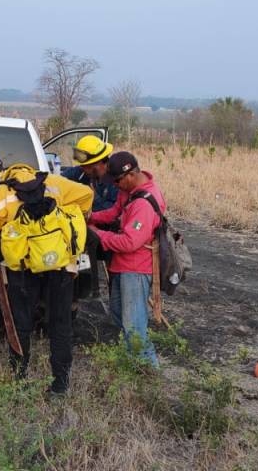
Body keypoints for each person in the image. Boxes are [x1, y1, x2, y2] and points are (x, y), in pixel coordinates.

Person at [0, 163, 93, 395]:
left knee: (20, 326)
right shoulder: (55, 183)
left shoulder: (0, 194)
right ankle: (60, 385)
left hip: (23, 270)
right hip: (60, 266)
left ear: (7, 176)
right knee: (60, 325)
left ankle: (19, 381)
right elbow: (87, 194)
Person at [87, 151, 166, 367]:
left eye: (117, 181)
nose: (116, 186)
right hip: (122, 266)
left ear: (129, 175)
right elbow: (114, 212)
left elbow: (130, 242)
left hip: (136, 270)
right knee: (118, 315)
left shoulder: (143, 204)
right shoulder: (130, 191)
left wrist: (97, 234)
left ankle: (147, 370)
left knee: (134, 325)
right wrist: (90, 217)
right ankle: (131, 362)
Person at [61, 135, 118, 212]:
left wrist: (93, 197)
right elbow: (61, 179)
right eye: (82, 166)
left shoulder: (117, 181)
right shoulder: (83, 172)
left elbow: (114, 212)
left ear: (99, 162)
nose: (84, 170)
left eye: (87, 166)